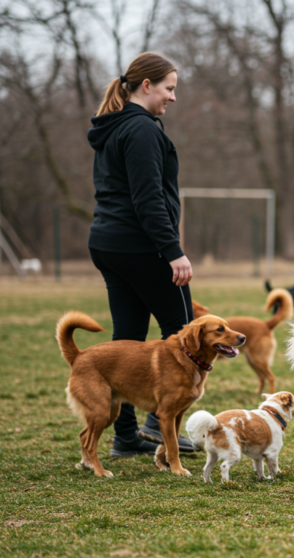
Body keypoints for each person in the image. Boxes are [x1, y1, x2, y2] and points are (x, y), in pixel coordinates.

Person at [86, 52, 196, 457]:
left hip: (108, 243)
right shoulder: (142, 130)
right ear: (145, 86)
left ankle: (126, 437)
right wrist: (173, 251)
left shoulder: (113, 127)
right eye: (169, 88)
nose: (173, 97)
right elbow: (147, 197)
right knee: (184, 333)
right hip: (140, 245)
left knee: (127, 338)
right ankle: (157, 421)